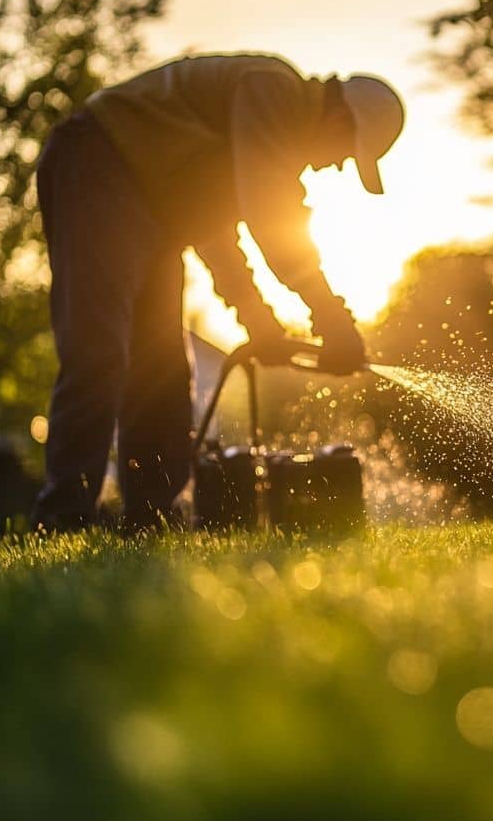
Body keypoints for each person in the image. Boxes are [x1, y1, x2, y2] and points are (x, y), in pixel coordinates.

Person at [32, 52, 405, 530]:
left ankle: (150, 519)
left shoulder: (262, 132)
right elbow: (271, 213)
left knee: (162, 369)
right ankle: (63, 516)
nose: (334, 167)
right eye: (345, 153)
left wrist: (257, 319)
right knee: (99, 350)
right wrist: (331, 316)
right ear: (336, 116)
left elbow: (218, 237)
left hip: (151, 207)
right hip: (96, 164)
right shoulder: (272, 89)